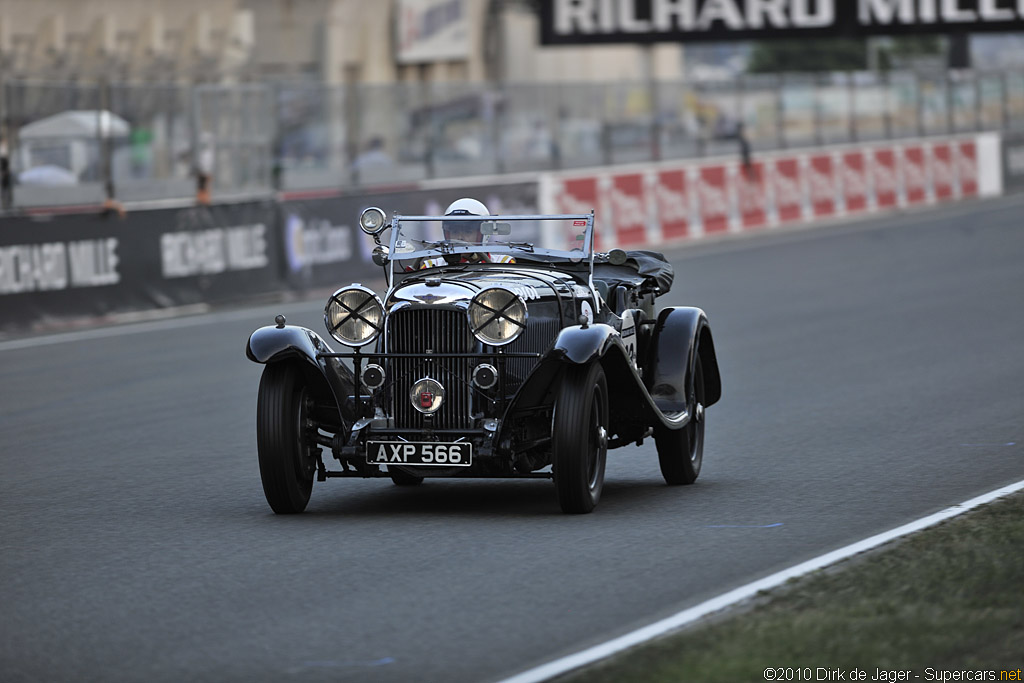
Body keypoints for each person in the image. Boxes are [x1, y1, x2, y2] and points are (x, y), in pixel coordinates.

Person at [414, 198, 514, 269]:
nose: (460, 237)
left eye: (468, 231)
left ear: (482, 234)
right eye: (455, 231)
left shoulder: (503, 263)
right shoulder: (431, 267)